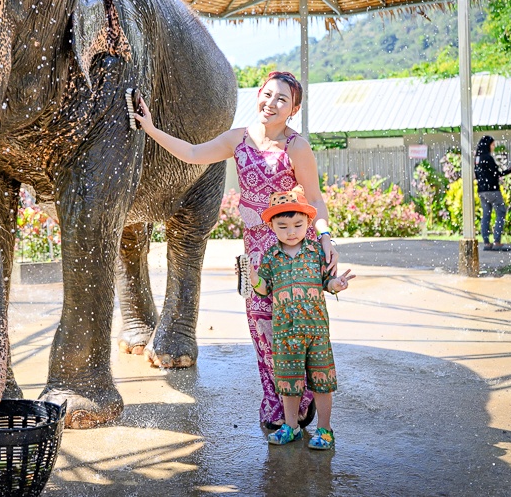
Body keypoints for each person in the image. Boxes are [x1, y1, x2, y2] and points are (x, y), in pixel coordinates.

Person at [134, 70, 339, 430]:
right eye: (268, 94)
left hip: (292, 249)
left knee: (294, 326)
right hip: (254, 251)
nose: (272, 103)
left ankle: (303, 397)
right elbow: (193, 153)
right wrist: (150, 129)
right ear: (258, 94)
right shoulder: (238, 139)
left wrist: (325, 238)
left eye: (282, 99)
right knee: (262, 329)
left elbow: (315, 198)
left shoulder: (297, 147)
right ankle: (278, 402)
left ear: (293, 109)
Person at [249, 187, 355, 449]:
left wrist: (337, 284)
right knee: (288, 382)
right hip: (285, 333)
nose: (291, 232)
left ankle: (325, 429)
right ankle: (291, 426)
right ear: (271, 226)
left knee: (322, 381)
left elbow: (327, 281)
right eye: (283, 226)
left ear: (308, 222)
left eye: (298, 225)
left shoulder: (317, 253)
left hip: (316, 331)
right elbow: (264, 289)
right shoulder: (271, 257)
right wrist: (254, 279)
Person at [474, 135, 511, 251]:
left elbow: (477, 175)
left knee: (486, 215)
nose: (493, 147)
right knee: (501, 212)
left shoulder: (477, 158)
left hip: (482, 191)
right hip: (492, 190)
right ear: (488, 145)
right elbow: (497, 174)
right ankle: (497, 242)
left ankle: (486, 243)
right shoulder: (488, 158)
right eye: (492, 145)